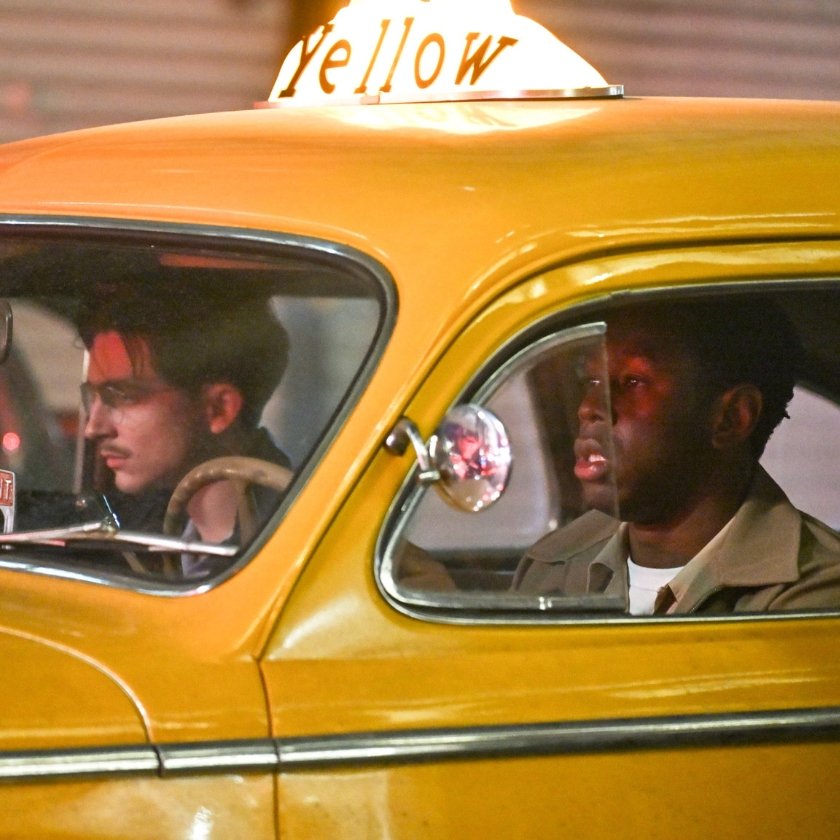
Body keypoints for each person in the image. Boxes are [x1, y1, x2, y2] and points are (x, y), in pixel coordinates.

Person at [513, 297, 840, 614]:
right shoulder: (553, 564)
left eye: (633, 381)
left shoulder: (816, 594)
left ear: (731, 418)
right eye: (591, 381)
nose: (589, 408)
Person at [76, 276, 290, 576]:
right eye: (93, 397)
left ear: (219, 409)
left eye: (123, 397)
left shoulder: (295, 542)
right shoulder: (129, 527)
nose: (93, 428)